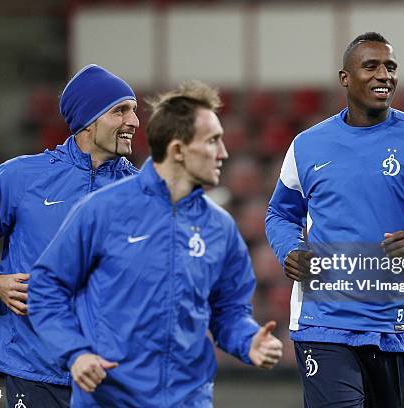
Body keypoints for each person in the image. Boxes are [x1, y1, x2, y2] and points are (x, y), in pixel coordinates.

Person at [28, 80, 283, 407]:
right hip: (109, 399)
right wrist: (75, 353)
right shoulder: (101, 211)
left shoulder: (220, 228)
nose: (223, 153)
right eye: (212, 141)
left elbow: (229, 311)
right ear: (178, 150)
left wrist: (249, 341)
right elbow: (46, 288)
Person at [265, 32, 404, 408]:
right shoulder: (307, 146)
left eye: (391, 67)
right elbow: (280, 213)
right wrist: (290, 249)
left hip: (391, 326)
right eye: (371, 66)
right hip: (323, 322)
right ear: (345, 78)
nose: (384, 75)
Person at [0, 64, 140, 408]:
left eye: (134, 111)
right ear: (88, 120)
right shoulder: (21, 177)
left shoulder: (145, 192)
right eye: (120, 110)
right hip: (33, 372)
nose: (134, 122)